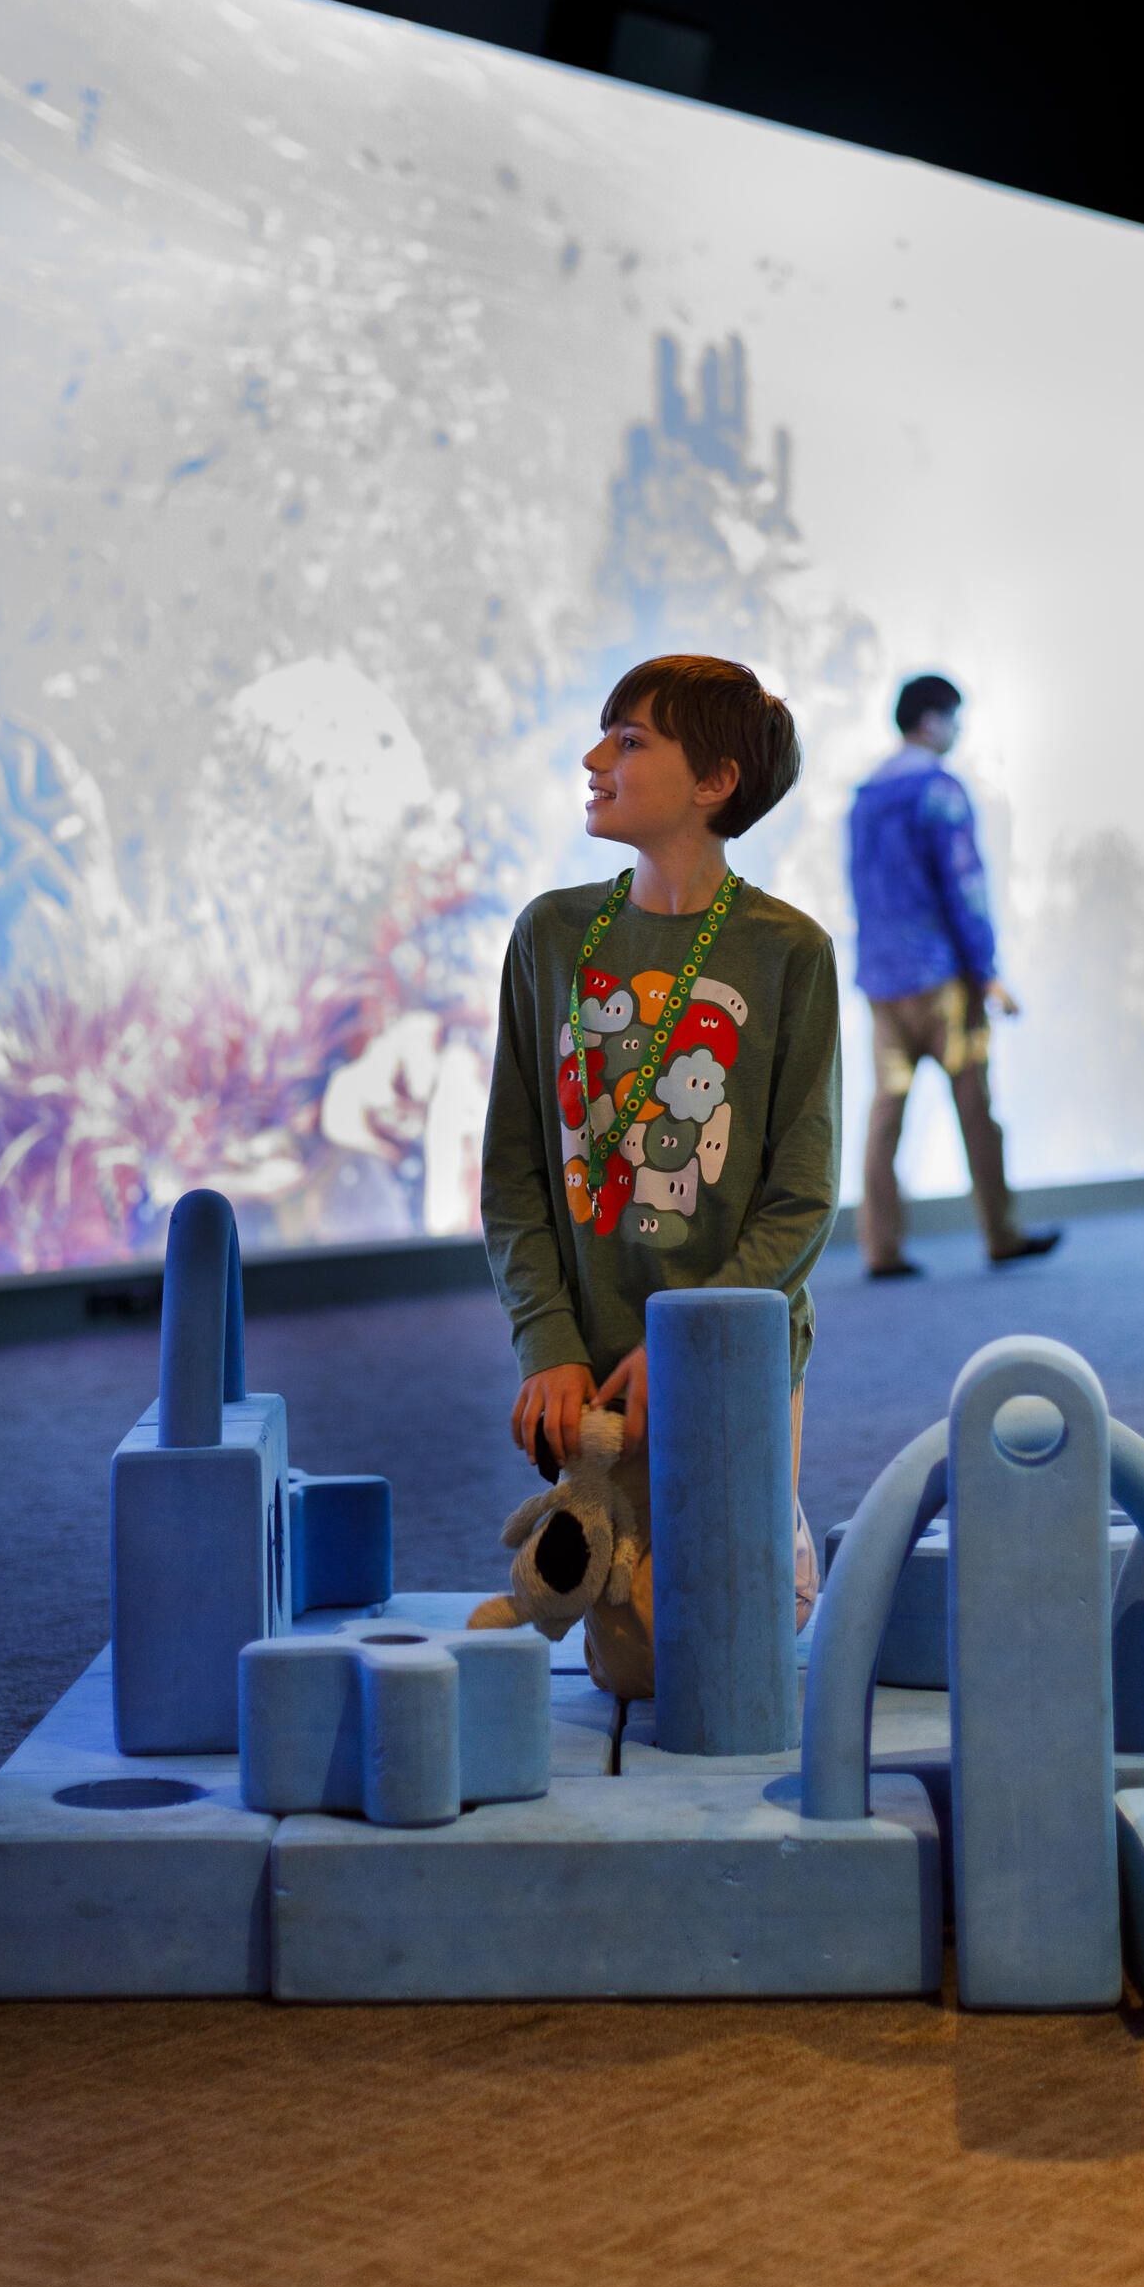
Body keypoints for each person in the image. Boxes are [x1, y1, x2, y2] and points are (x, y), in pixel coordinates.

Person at [475, 653, 839, 1701]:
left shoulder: (787, 953)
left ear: (714, 781)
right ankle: (719, 1543)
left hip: (728, 1343)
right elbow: (512, 1177)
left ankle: (783, 1552)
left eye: (629, 741)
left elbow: (800, 1199)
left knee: (717, 1661)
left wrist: (687, 1337)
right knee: (632, 1672)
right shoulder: (548, 936)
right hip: (590, 1364)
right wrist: (544, 1343)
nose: (595, 759)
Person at [847, 672, 1059, 1276]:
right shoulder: (938, 790)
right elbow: (964, 884)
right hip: (941, 977)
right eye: (956, 719)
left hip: (883, 979)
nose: (959, 731)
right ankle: (1001, 1232)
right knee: (975, 1106)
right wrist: (986, 970)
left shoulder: (866, 797)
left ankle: (879, 1247)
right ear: (933, 720)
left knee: (886, 1115)